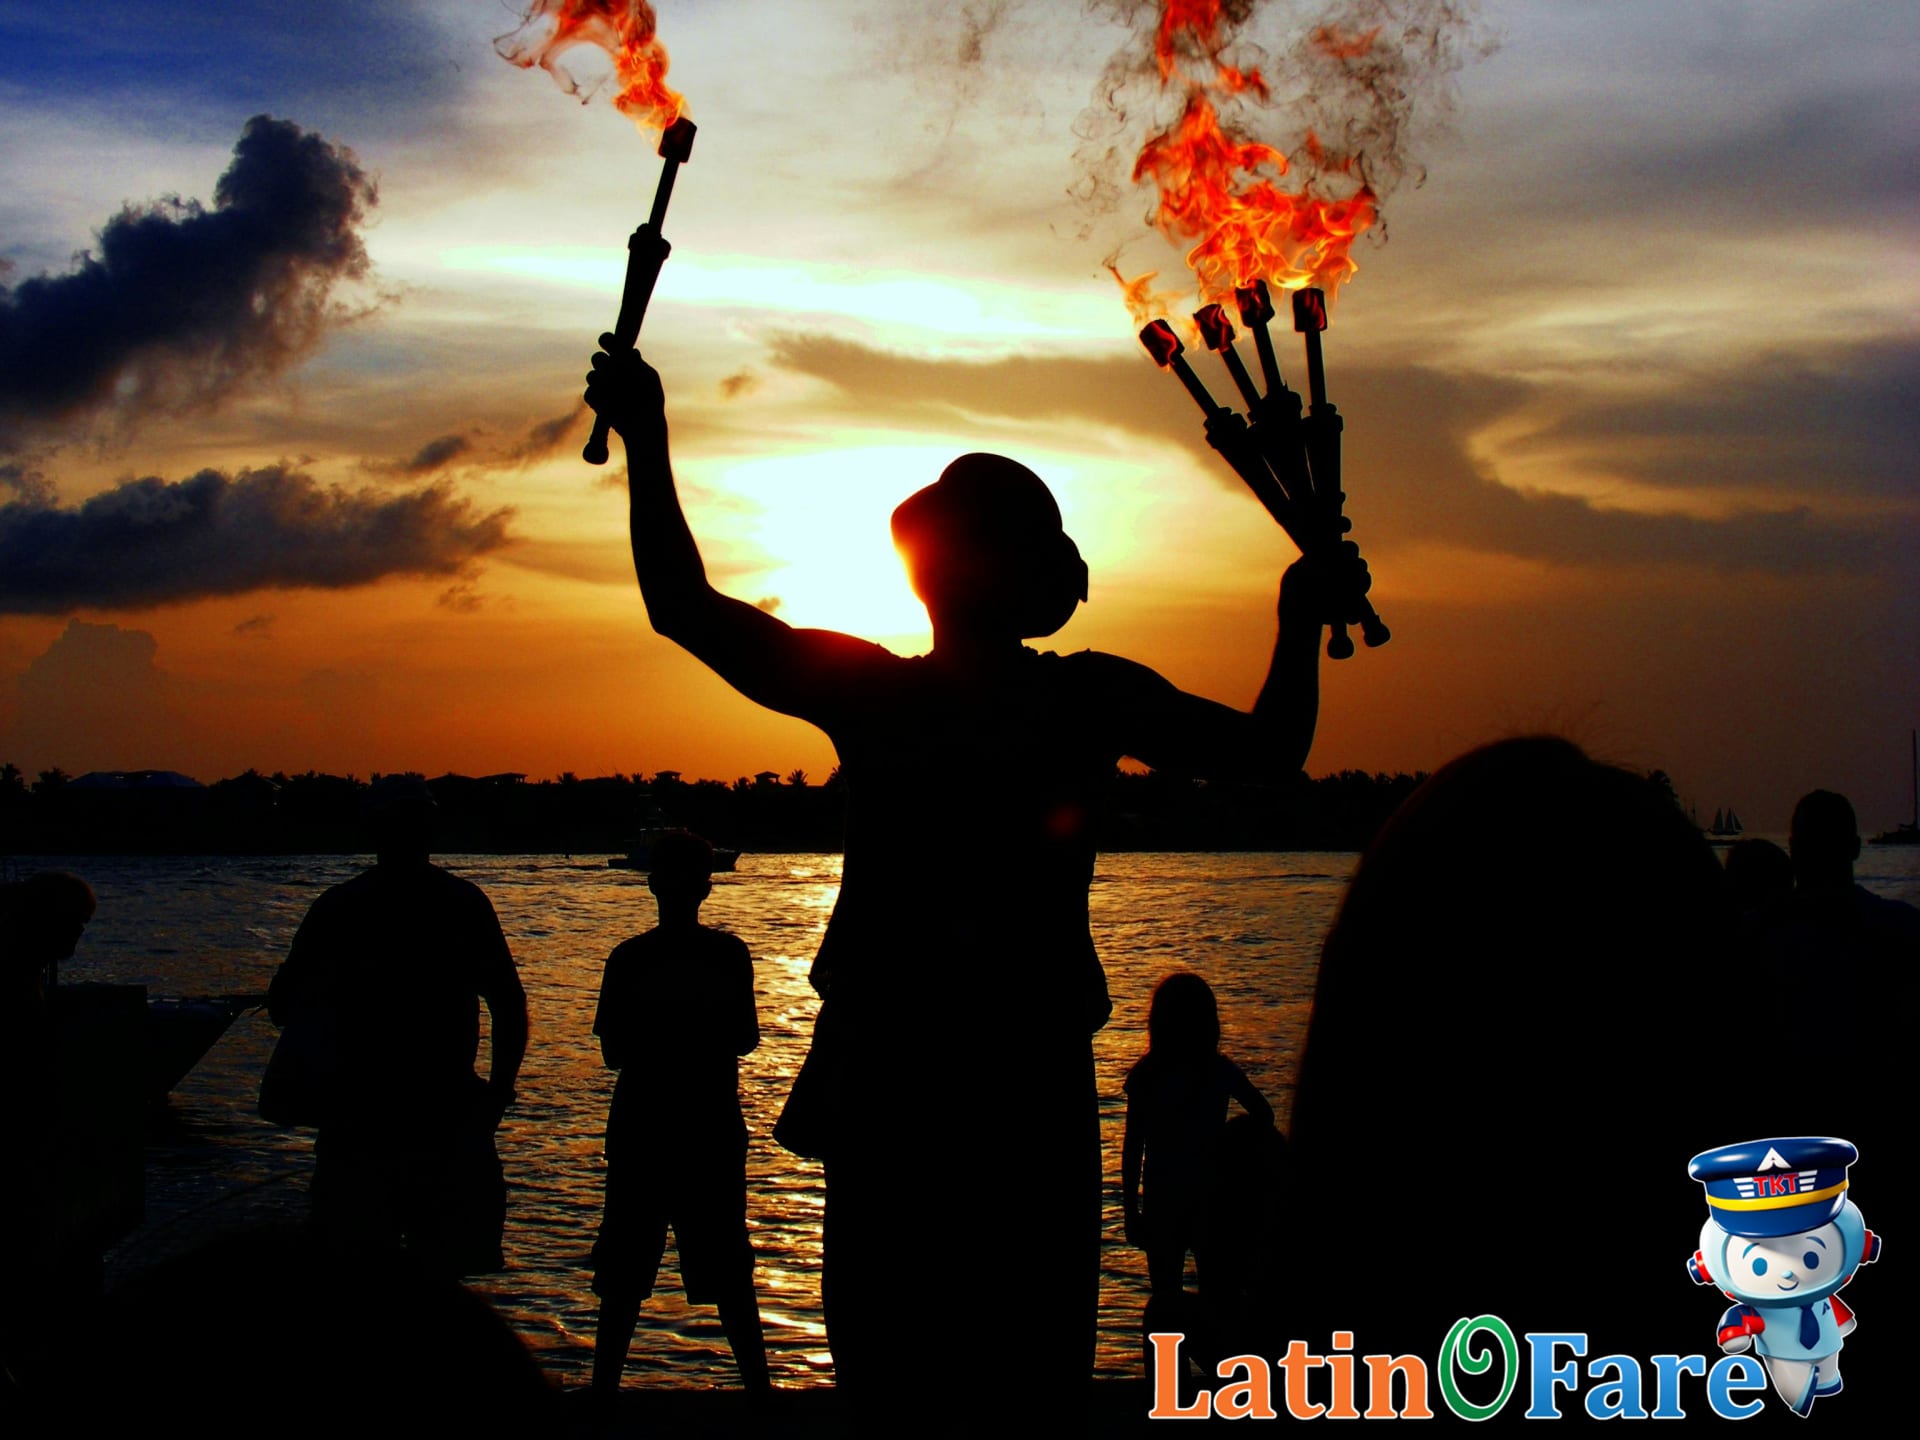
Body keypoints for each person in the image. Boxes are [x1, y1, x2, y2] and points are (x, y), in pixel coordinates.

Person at [585, 330, 1362, 1422]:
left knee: (900, 1386)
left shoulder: (880, 696)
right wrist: (1298, 617)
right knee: (1018, 1384)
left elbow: (682, 603)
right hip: (1011, 1098)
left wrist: (650, 436)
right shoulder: (1081, 700)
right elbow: (1275, 748)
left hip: (908, 1093)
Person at [267, 776, 527, 1275]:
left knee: (357, 1277)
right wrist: (497, 1093)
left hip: (359, 1124)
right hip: (445, 1118)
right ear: (430, 831)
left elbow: (283, 1006)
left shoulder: (337, 908)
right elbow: (508, 1004)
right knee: (445, 1283)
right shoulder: (463, 903)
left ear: (373, 831)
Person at [589, 830, 769, 1402]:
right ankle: (760, 1395)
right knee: (729, 1269)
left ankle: (602, 1397)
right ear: (706, 889)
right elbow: (745, 1039)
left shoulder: (628, 958)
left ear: (652, 885)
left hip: (641, 1129)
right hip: (709, 1130)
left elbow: (613, 1053)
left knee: (623, 1274)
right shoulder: (729, 955)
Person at [1122, 972, 1273, 1303]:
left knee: (1165, 1300)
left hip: (1164, 1199)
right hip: (1212, 1196)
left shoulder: (1147, 1075)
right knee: (1217, 1300)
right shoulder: (1219, 1070)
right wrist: (1232, 1146)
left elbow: (1133, 1148)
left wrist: (1130, 1209)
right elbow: (1264, 1114)